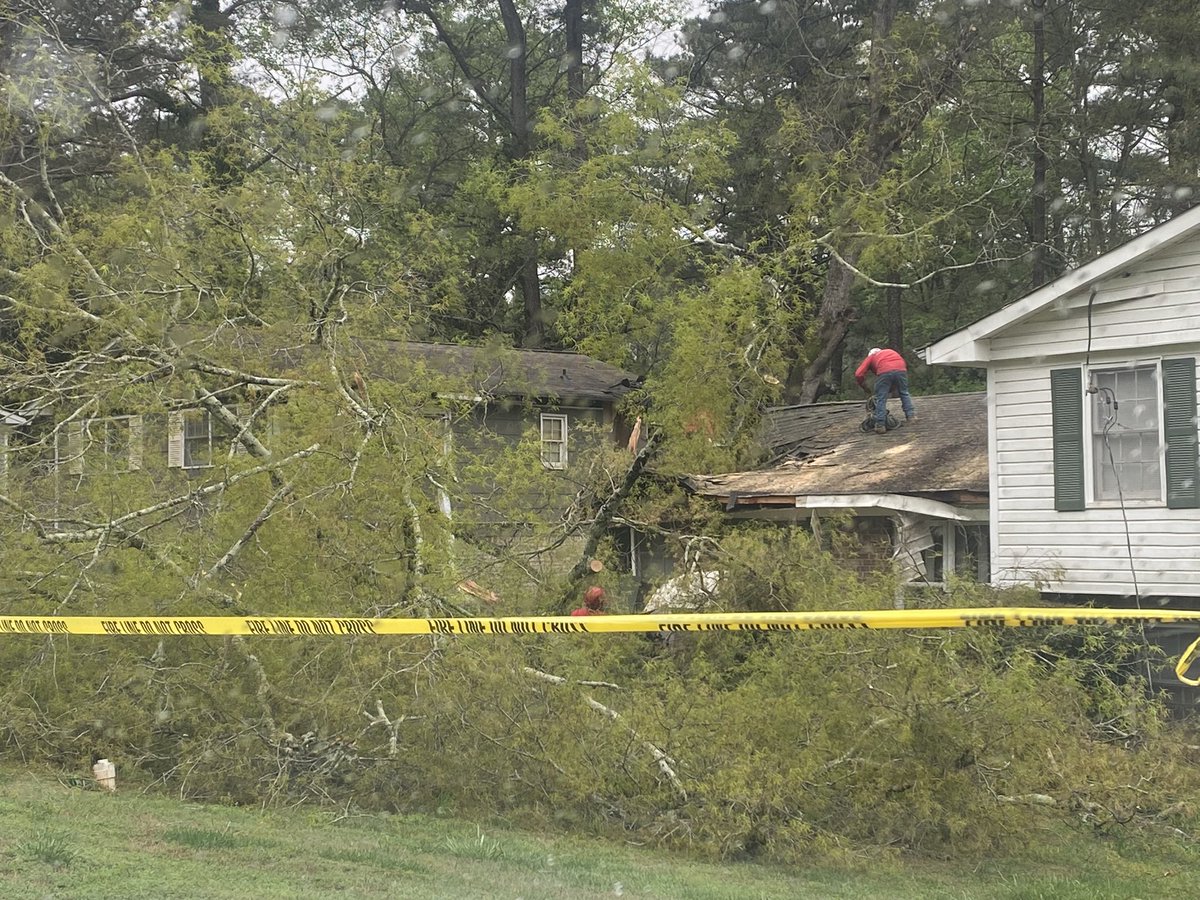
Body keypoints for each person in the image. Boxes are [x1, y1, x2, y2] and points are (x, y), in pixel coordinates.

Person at [855, 347, 916, 434]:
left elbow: (858, 374)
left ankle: (880, 424)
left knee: (881, 398)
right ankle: (911, 417)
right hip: (901, 369)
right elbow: (896, 367)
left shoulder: (872, 356)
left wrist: (863, 385)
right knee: (904, 393)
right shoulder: (889, 352)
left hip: (885, 371)